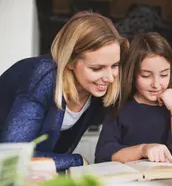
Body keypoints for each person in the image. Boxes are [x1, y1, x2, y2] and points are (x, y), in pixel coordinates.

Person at [0, 11, 128, 171]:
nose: (110, 78)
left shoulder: (96, 90)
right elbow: (11, 160)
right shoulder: (43, 77)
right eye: (96, 68)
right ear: (69, 61)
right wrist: (77, 161)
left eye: (115, 65)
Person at [95, 32, 172, 163]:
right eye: (146, 76)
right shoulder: (120, 107)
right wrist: (143, 150)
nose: (156, 84)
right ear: (132, 73)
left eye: (164, 75)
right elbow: (103, 154)